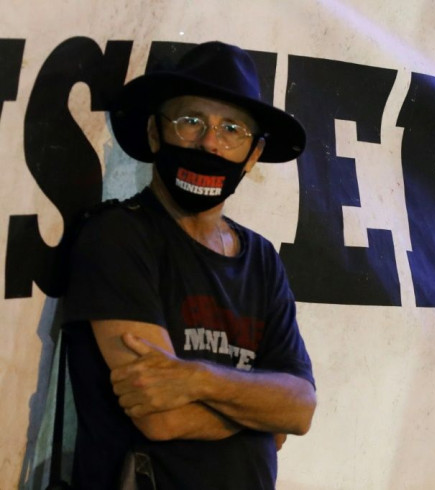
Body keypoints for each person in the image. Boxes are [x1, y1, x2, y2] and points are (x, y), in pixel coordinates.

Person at [62, 41, 316, 489]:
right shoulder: (118, 236)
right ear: (156, 133)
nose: (210, 143)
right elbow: (162, 417)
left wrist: (197, 378)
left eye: (232, 129)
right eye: (190, 121)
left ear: (253, 155)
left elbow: (299, 409)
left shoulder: (261, 260)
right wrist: (260, 409)